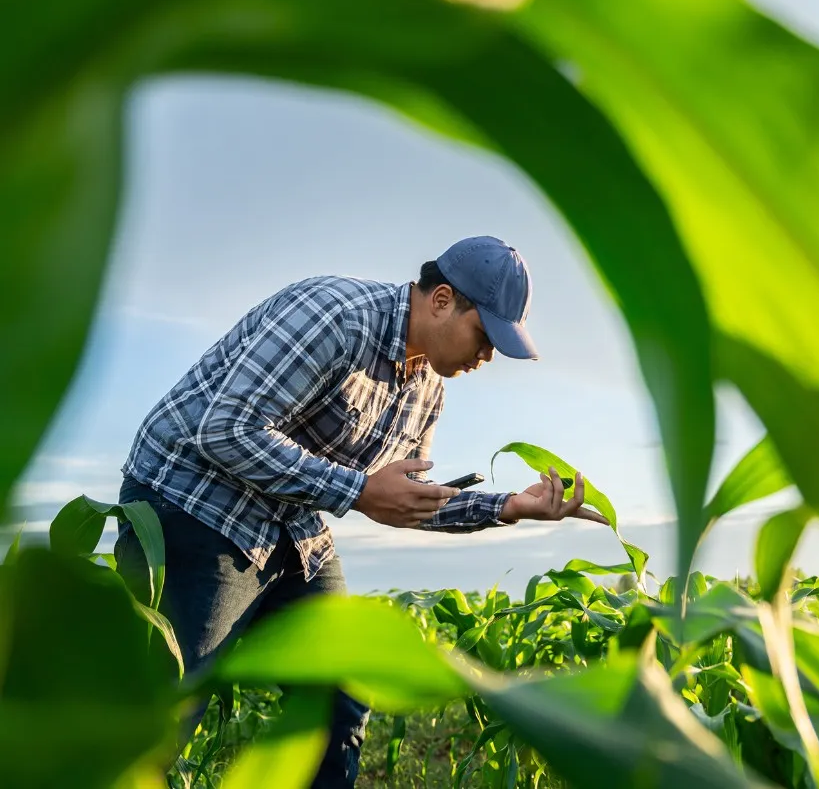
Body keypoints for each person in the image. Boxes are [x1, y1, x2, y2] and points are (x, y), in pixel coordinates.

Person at [112, 235, 608, 788]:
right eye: (484, 336)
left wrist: (512, 506)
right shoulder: (335, 317)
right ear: (442, 300)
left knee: (342, 691)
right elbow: (225, 430)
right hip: (194, 503)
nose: (487, 356)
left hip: (290, 525)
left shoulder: (427, 389)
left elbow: (403, 499)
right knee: (164, 710)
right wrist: (356, 489)